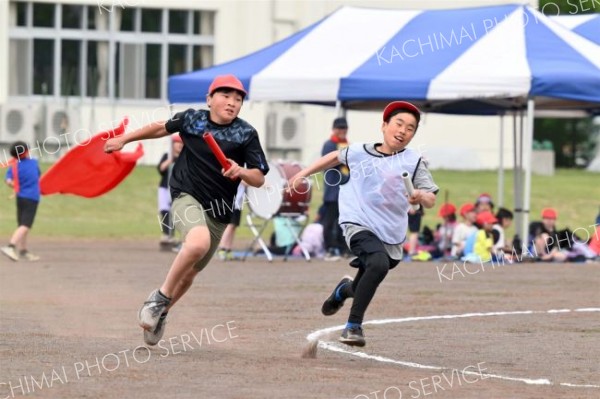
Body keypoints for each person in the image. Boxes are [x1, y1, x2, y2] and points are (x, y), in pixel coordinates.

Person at [104, 74, 269, 346]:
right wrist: (126, 138)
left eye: (238, 99)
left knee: (191, 272)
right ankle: (158, 298)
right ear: (209, 99)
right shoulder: (193, 119)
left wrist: (240, 171)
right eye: (226, 96)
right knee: (197, 243)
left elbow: (259, 178)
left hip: (219, 210)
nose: (232, 103)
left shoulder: (246, 134)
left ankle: (162, 311)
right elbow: (161, 128)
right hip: (186, 195)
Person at [289, 101, 438, 347]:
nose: (403, 131)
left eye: (410, 128)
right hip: (357, 221)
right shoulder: (359, 151)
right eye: (398, 124)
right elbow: (333, 158)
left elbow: (431, 198)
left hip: (390, 232)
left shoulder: (414, 161)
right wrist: (303, 173)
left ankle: (343, 291)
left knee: (367, 281)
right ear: (384, 125)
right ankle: (353, 327)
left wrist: (421, 196)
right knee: (377, 264)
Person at [1, 141, 41, 262]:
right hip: (32, 197)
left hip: (20, 197)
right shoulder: (33, 162)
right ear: (26, 152)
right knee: (25, 225)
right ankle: (11, 246)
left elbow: (8, 180)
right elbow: (38, 175)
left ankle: (23, 250)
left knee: (22, 225)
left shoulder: (14, 165)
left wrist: (15, 185)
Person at [321, 117, 350, 261]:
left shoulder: (346, 145)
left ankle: (343, 248)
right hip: (333, 190)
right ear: (334, 129)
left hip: (345, 190)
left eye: (344, 128)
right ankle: (329, 249)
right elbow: (329, 163)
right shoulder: (330, 145)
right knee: (329, 221)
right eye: (339, 128)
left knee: (343, 222)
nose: (342, 131)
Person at [157, 134, 183, 249]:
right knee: (165, 211)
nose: (180, 146)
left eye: (182, 143)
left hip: (177, 188)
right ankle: (167, 235)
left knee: (175, 212)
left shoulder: (184, 158)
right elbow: (161, 169)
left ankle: (176, 235)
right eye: (178, 143)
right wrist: (170, 160)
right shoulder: (167, 156)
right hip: (164, 187)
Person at [217, 183, 247, 260]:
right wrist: (263, 184)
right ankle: (222, 249)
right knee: (229, 226)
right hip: (231, 201)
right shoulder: (241, 171)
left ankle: (228, 249)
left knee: (233, 226)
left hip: (238, 203)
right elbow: (245, 181)